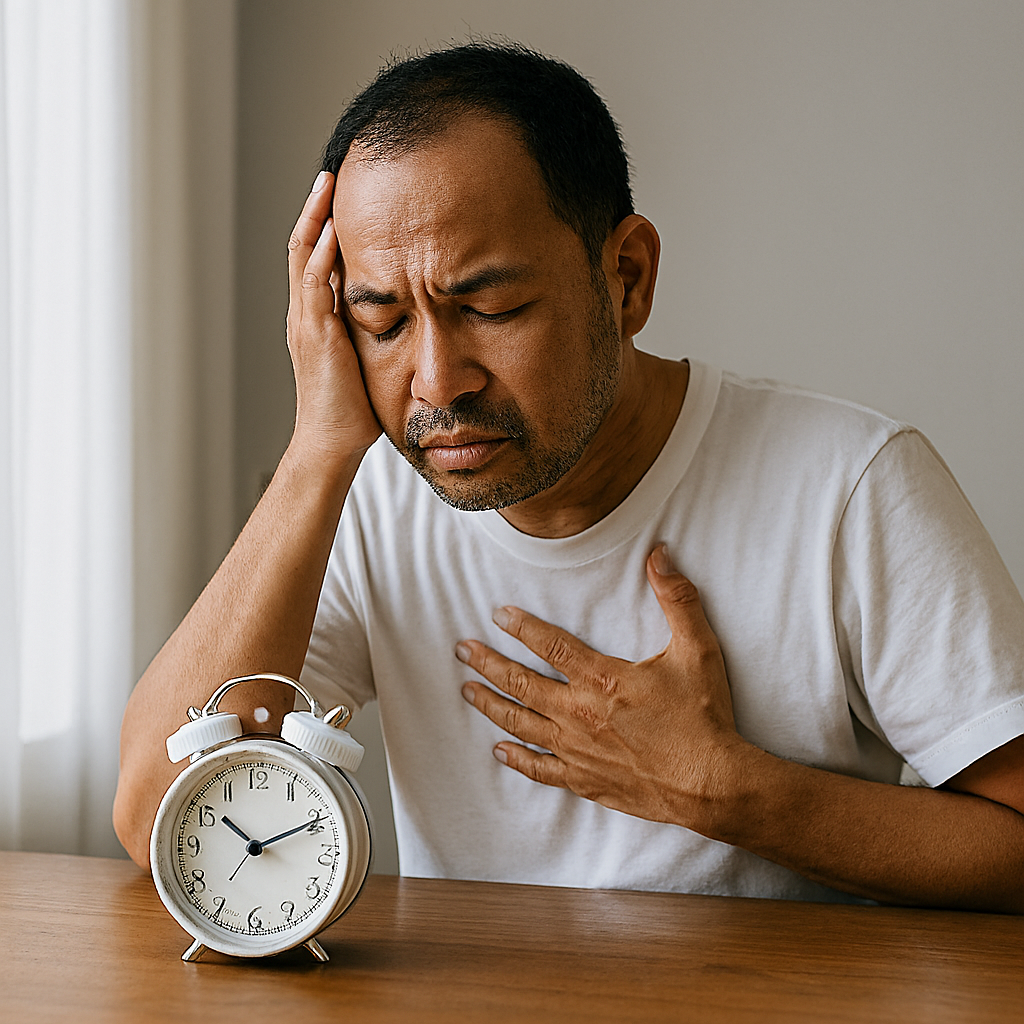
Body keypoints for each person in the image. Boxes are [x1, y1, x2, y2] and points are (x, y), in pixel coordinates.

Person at [114, 43, 1024, 911]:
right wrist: (317, 451)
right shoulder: (361, 499)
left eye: (490, 307)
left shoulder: (850, 486)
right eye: (382, 322)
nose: (437, 381)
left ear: (626, 278)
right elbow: (154, 811)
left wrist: (729, 794)